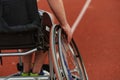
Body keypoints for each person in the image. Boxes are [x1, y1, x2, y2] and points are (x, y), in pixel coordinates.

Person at [0, 0, 72, 76]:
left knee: (21, 18)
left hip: (2, 33)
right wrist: (64, 24)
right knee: (45, 20)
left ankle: (25, 71)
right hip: (28, 29)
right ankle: (36, 71)